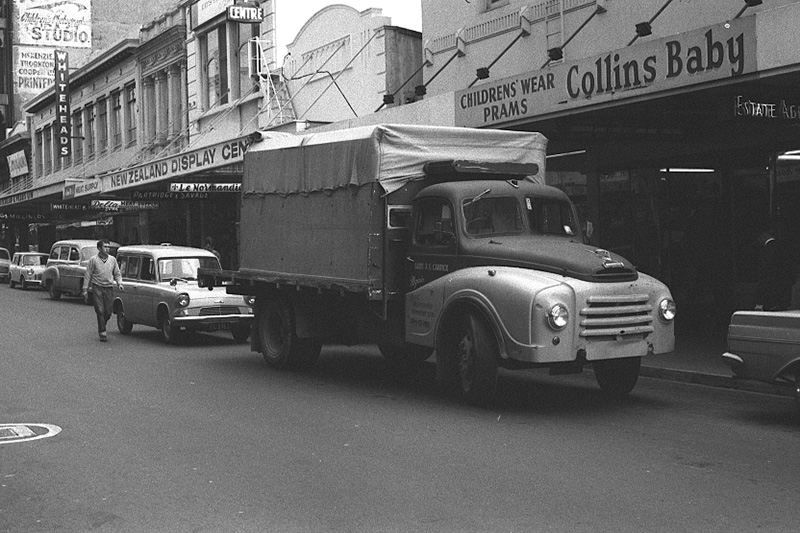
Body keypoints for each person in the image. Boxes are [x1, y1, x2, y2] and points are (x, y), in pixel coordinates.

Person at [82, 239, 124, 342]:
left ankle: (102, 323)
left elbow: (117, 273)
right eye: (105, 247)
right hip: (97, 287)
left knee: (108, 311)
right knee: (100, 310)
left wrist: (119, 283)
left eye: (108, 247)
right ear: (99, 248)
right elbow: (88, 274)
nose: (107, 249)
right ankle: (102, 332)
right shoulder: (93, 260)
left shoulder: (112, 260)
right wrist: (85, 289)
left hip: (108, 287)